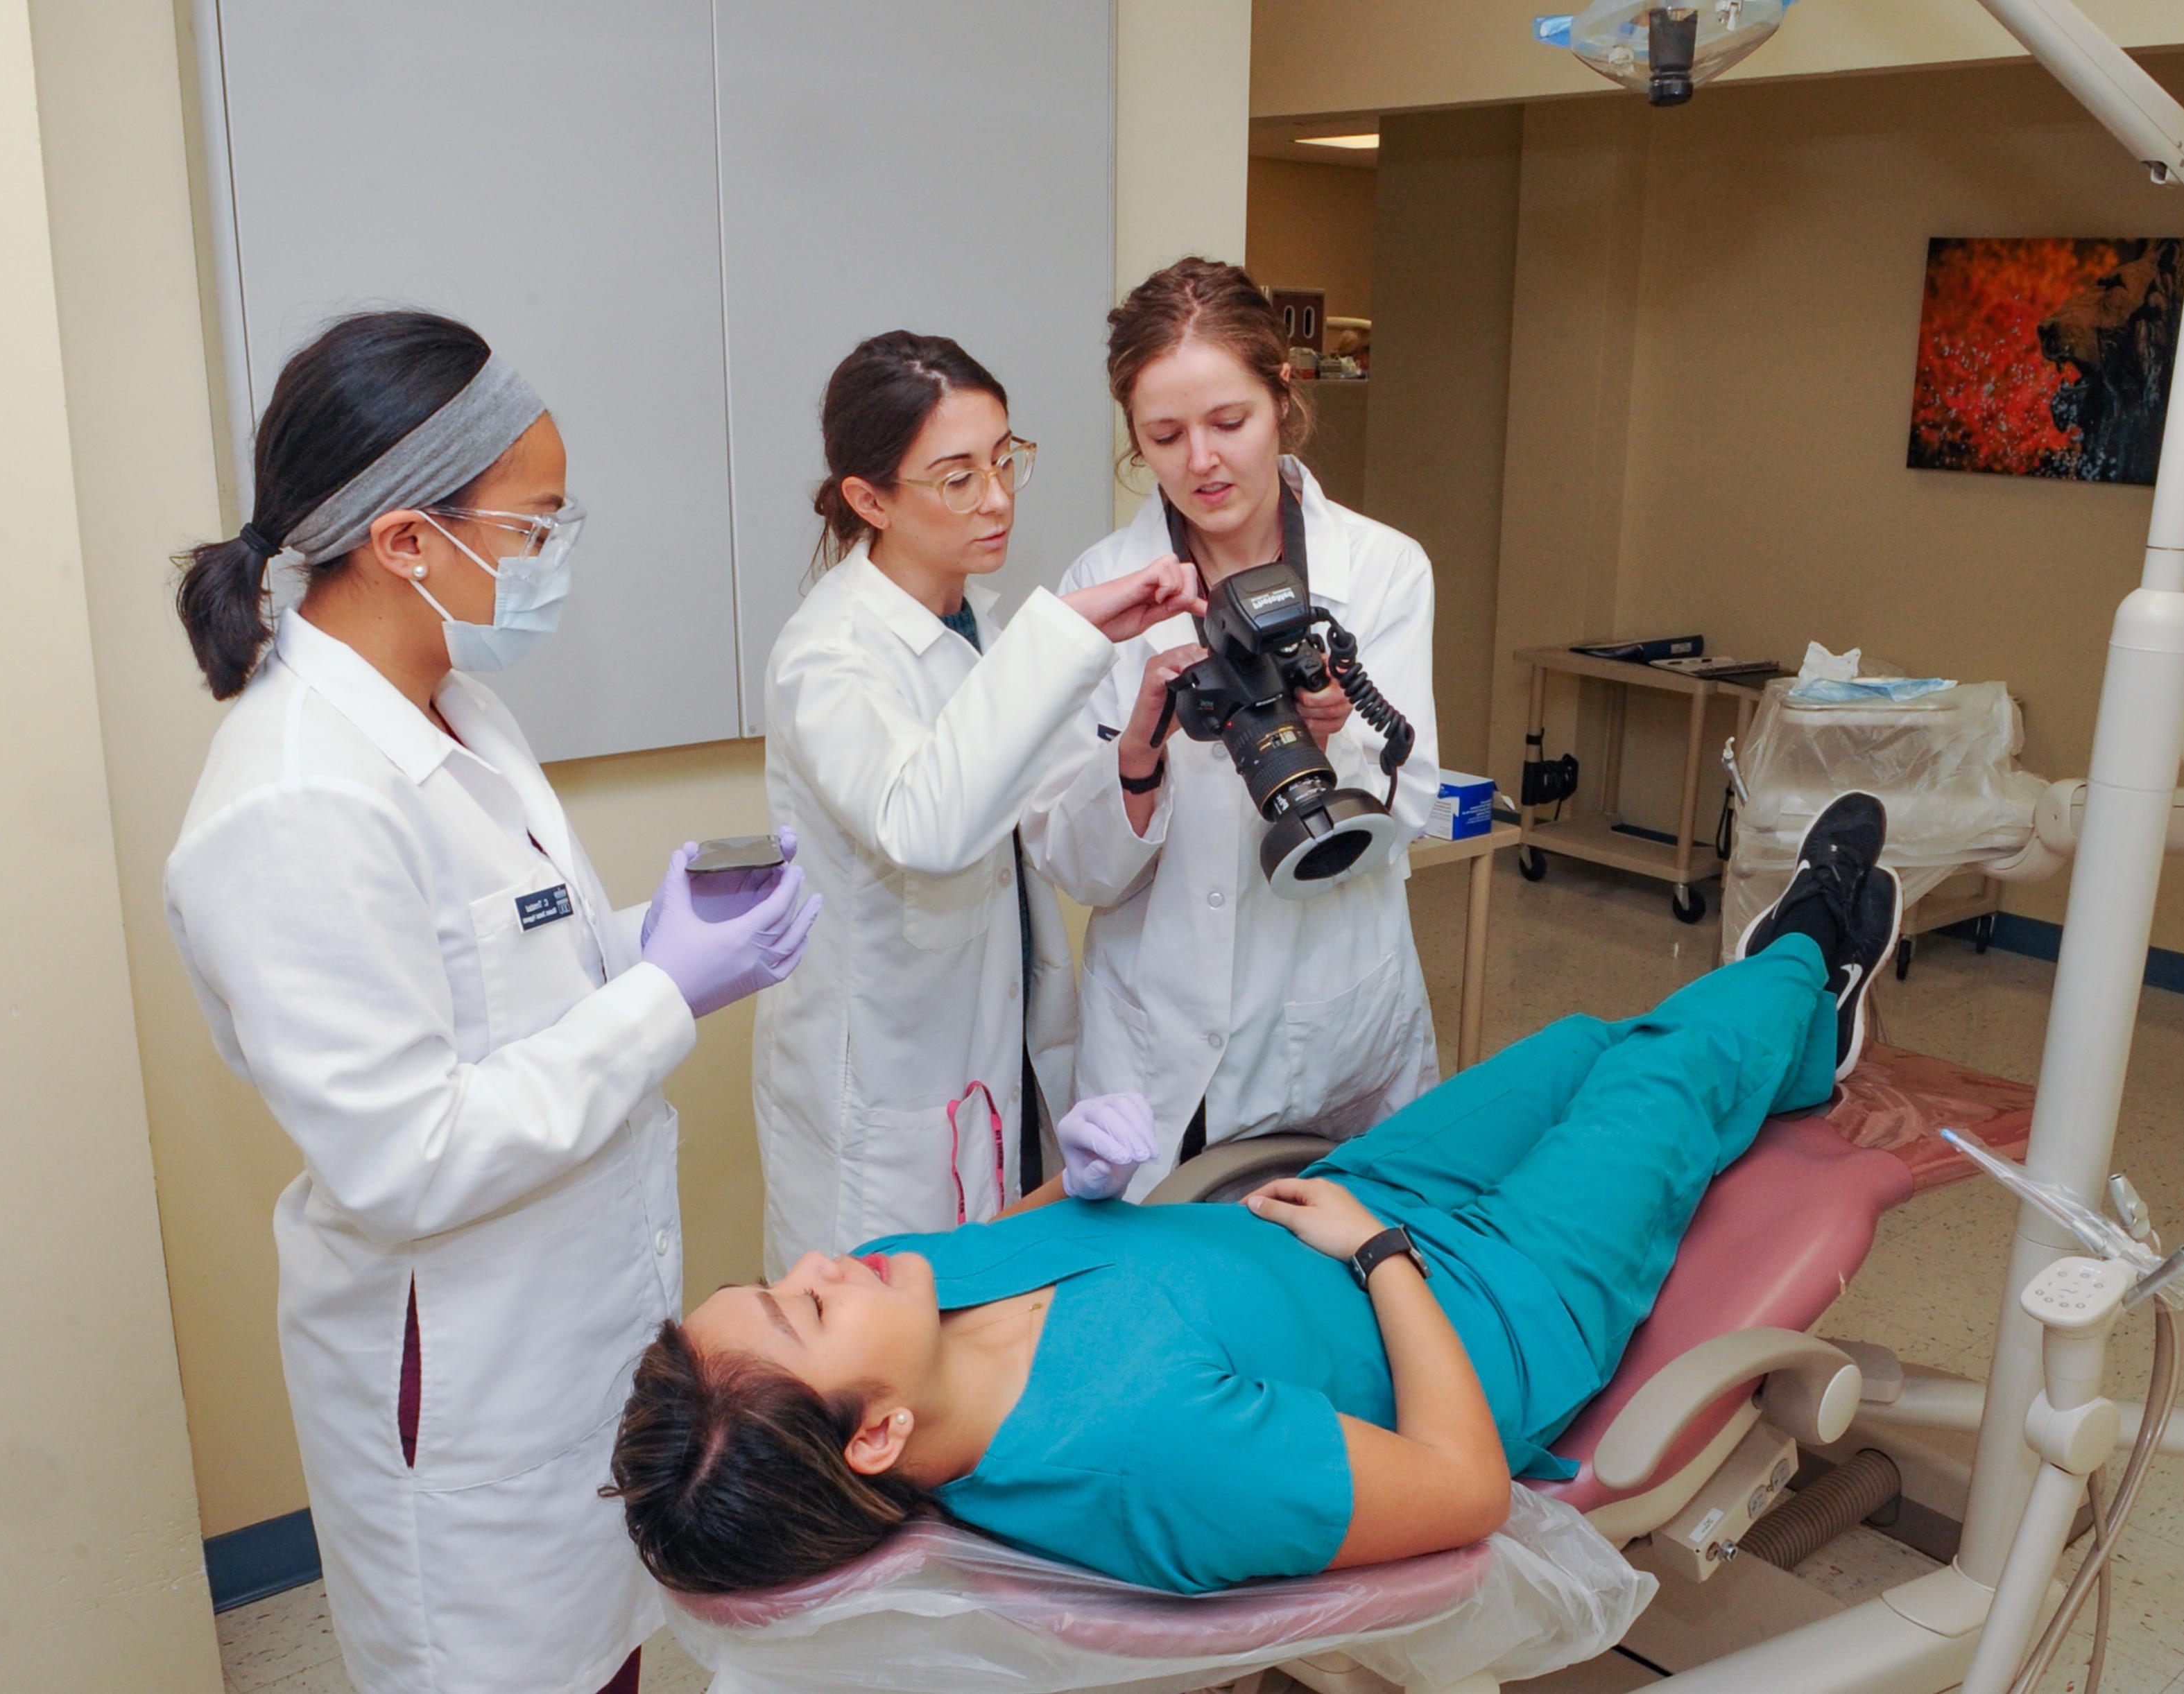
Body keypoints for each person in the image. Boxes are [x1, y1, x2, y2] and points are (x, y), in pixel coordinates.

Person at [610, 795, 1904, 1597]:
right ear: (876, 1438)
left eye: (778, 1279)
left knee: (1576, 1046)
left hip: (1342, 1202)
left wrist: (1089, 1178)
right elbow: (1457, 1492)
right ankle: (1812, 949)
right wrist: (1385, 1257)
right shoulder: (1142, 1459)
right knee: (1666, 1073)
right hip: (1494, 1307)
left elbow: (1024, 1237)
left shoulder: (902, 1288)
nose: (820, 1266)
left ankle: (1789, 1043)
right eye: (803, 1312)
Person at [165, 311, 818, 1694]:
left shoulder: (454, 702)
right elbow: (407, 1156)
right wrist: (661, 995)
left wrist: (654, 936)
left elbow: (501, 980)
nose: (550, 558)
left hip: (569, 1322)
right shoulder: (293, 799)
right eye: (533, 528)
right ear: (407, 539)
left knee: (603, 1654)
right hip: (460, 1379)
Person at [753, 331, 1204, 1270]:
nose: (997, 497)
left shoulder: (980, 628)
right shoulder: (828, 658)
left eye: (1005, 459)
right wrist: (1063, 637)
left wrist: (1134, 751)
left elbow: (1062, 846)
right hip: (890, 1104)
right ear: (869, 500)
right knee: (874, 1371)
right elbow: (927, 824)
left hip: (998, 1068)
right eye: (956, 477)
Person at [1023, 257, 1443, 1193]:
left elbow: (1410, 807)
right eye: (1163, 436)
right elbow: (1074, 865)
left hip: (1336, 1018)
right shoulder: (1097, 591)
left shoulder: (1379, 571)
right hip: (1158, 1043)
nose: (1201, 463)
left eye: (1228, 423)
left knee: (1339, 1297)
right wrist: (1138, 757)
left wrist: (1338, 733)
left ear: (1281, 396)